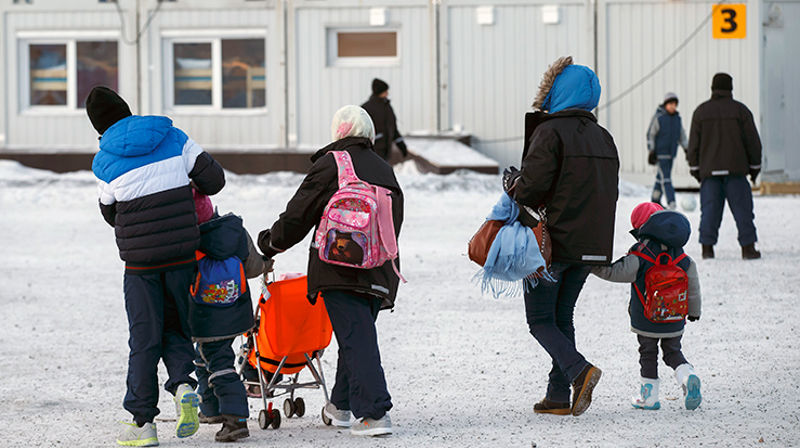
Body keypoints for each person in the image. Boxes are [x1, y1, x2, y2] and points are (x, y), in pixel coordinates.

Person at [87, 86, 225, 447]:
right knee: (176, 327)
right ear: (128, 111)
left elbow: (111, 213)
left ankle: (142, 424)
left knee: (145, 338)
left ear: (98, 127)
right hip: (182, 256)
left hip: (140, 265)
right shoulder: (173, 136)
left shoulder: (103, 161)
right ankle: (182, 386)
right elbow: (215, 180)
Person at [257, 105, 403, 436]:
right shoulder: (384, 169)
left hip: (340, 268)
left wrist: (270, 244)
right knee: (357, 335)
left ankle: (374, 413)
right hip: (380, 270)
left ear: (338, 133)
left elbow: (298, 214)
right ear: (368, 134)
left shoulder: (333, 164)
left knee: (357, 338)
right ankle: (340, 406)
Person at [502, 56, 620, 417]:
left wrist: (513, 184)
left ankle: (579, 370)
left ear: (557, 92)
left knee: (540, 320)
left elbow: (531, 190)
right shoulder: (603, 137)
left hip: (550, 245)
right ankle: (557, 394)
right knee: (562, 315)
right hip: (590, 245)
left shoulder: (549, 132)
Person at [592, 202, 703, 411]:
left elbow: (616, 272)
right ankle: (688, 376)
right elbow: (693, 285)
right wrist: (694, 311)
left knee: (648, 354)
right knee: (672, 351)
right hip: (674, 318)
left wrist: (591, 266)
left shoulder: (641, 254)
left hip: (646, 318)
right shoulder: (681, 255)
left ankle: (649, 398)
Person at [189, 191, 271, 442]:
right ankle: (211, 409)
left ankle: (236, 419)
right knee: (205, 356)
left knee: (219, 364)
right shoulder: (233, 230)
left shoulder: (186, 239)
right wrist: (267, 264)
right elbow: (254, 267)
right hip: (235, 313)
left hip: (203, 317)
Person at [687, 73, 763, 260]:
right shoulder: (741, 111)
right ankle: (748, 249)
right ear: (730, 88)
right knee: (743, 211)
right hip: (736, 172)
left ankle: (707, 249)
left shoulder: (701, 112)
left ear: (712, 88)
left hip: (710, 174)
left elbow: (693, 145)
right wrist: (754, 168)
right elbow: (753, 142)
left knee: (709, 212)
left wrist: (696, 169)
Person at [646, 92, 688, 209]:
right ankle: (671, 203)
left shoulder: (677, 119)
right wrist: (651, 150)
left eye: (675, 104)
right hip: (660, 154)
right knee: (666, 179)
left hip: (671, 154)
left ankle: (655, 200)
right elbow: (651, 134)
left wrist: (687, 148)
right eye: (670, 104)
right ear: (665, 105)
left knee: (660, 179)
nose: (673, 107)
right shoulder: (659, 118)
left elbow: (682, 136)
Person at [361, 78, 408, 162]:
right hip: (373, 150)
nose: (387, 93)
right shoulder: (366, 108)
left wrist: (401, 144)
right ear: (379, 91)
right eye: (385, 91)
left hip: (386, 150)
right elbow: (361, 130)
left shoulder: (387, 107)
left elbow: (393, 128)